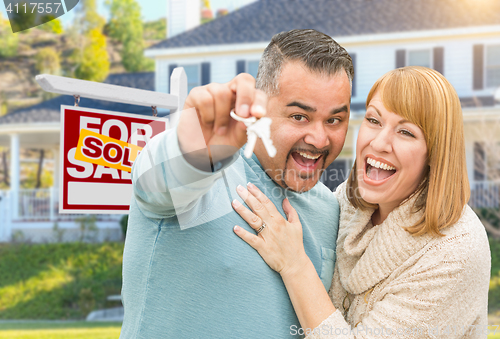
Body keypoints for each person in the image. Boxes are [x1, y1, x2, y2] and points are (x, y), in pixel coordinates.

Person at [119, 29, 354, 338]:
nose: (319, 139)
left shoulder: (331, 210)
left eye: (334, 120)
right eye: (299, 117)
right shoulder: (206, 173)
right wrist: (194, 153)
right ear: (260, 108)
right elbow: (156, 182)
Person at [232, 66, 491, 338]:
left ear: (435, 155)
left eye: (406, 132)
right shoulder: (347, 203)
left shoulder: (455, 251)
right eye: (374, 120)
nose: (379, 143)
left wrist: (294, 265)